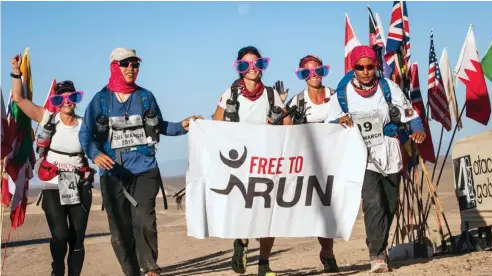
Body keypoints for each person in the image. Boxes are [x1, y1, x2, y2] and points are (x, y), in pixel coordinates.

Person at [79, 47, 202, 276]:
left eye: (135, 64)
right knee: (120, 231)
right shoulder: (100, 100)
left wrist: (183, 126)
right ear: (114, 66)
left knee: (145, 220)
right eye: (125, 64)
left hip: (145, 168)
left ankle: (150, 268)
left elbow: (160, 125)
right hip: (112, 172)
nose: (131, 69)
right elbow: (85, 134)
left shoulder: (145, 96)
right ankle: (131, 271)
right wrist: (95, 155)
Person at [325, 45, 426, 273]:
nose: (365, 71)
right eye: (360, 67)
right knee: (373, 204)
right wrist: (340, 122)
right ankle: (377, 256)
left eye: (370, 66)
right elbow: (329, 122)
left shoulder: (387, 88)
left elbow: (409, 114)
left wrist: (417, 129)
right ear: (354, 68)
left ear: (376, 66)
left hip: (389, 151)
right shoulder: (342, 94)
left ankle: (377, 242)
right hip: (361, 156)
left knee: (390, 204)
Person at [10, 54, 95, 276]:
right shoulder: (48, 117)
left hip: (79, 186)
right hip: (53, 185)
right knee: (60, 234)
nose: (66, 102)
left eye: (71, 97)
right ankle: (57, 269)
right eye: (61, 99)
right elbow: (19, 99)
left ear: (76, 99)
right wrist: (17, 72)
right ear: (55, 101)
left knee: (77, 239)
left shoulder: (85, 125)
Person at [212, 46, 292, 276]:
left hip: (267, 161)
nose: (252, 69)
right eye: (246, 65)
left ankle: (264, 264)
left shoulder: (271, 94)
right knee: (244, 209)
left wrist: (278, 121)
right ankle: (242, 241)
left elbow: (289, 128)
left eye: (258, 64)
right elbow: (216, 124)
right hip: (240, 164)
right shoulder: (230, 93)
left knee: (269, 213)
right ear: (239, 68)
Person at [285, 54, 351, 273]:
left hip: (335, 158)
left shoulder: (335, 96)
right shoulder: (297, 101)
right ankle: (328, 253)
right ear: (302, 76)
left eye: (318, 71)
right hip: (310, 162)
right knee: (322, 208)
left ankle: (327, 251)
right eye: (307, 72)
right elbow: (285, 128)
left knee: (333, 206)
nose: (313, 76)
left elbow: (350, 117)